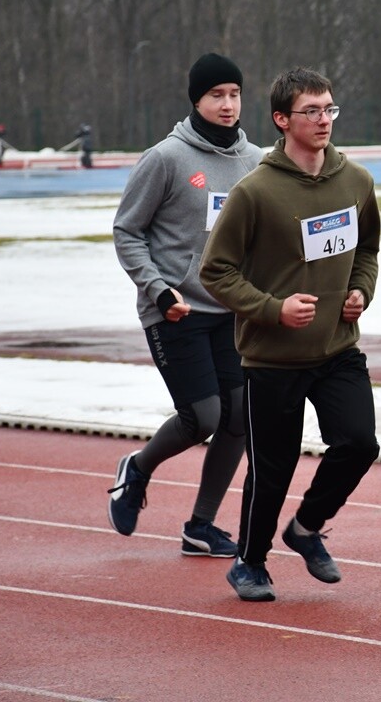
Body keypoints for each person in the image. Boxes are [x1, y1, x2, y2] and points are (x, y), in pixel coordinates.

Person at [200, 67, 381, 602]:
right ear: (282, 120)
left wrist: (360, 291)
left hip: (337, 349)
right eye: (311, 111)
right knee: (272, 469)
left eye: (329, 109)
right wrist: (272, 309)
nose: (324, 120)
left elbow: (366, 250)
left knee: (359, 443)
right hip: (272, 358)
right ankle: (249, 562)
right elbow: (217, 271)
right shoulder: (255, 191)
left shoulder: (356, 180)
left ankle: (305, 528)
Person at [109, 52, 264, 558]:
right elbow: (127, 231)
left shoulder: (255, 161)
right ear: (196, 100)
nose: (227, 104)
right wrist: (157, 288)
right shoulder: (165, 158)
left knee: (239, 419)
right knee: (203, 417)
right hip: (175, 308)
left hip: (230, 310)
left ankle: (201, 526)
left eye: (234, 94)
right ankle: (139, 467)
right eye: (216, 94)